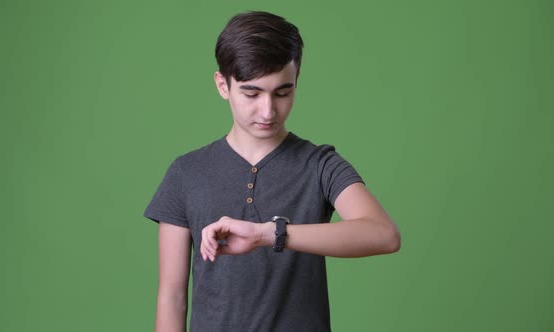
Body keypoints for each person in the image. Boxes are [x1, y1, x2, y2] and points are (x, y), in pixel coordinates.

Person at [143, 10, 401, 332]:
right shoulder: (186, 172)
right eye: (252, 93)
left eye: (283, 92)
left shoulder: (320, 165)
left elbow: (383, 235)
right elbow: (172, 296)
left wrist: (269, 234)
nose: (268, 111)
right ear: (223, 85)